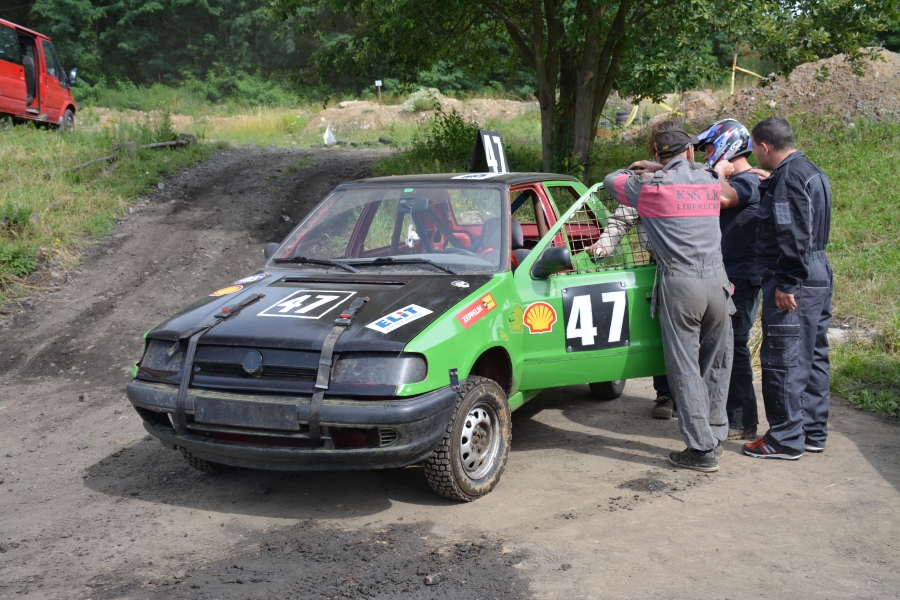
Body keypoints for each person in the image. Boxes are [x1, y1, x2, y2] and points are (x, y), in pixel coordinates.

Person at [591, 121, 734, 472]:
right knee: (715, 363)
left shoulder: (649, 188)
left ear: (657, 154)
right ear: (690, 151)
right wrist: (667, 165)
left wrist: (652, 168)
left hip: (681, 284)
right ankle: (715, 434)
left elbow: (611, 179)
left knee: (684, 367)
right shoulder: (709, 180)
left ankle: (700, 450)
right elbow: (714, 178)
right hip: (718, 282)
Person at [742, 117, 833, 460]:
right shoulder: (810, 171)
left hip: (794, 276)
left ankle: (784, 438)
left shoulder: (788, 179)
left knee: (783, 358)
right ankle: (811, 432)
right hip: (817, 270)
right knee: (812, 355)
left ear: (765, 147)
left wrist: (787, 282)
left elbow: (792, 232)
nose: (755, 155)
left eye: (755, 148)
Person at [695, 119, 763, 441]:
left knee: (734, 345)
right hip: (727, 274)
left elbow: (723, 198)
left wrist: (719, 172)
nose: (707, 155)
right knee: (722, 345)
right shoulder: (734, 178)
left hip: (743, 276)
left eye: (710, 148)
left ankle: (742, 419)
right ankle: (725, 414)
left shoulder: (749, 181)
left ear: (728, 145)